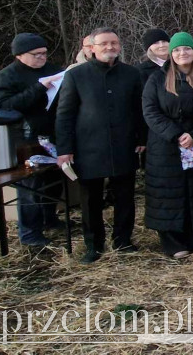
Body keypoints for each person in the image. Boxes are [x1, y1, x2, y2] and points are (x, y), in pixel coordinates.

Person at [56, 27, 145, 264]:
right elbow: (65, 114)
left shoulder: (131, 74)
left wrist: (142, 139)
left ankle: (123, 241)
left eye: (114, 43)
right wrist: (64, 149)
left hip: (124, 145)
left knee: (125, 197)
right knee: (90, 200)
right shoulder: (76, 75)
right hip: (88, 148)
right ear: (92, 48)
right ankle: (93, 245)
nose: (110, 47)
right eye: (104, 44)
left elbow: (139, 110)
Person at [0, 33, 64, 250]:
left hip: (52, 134)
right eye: (36, 54)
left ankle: (49, 219)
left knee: (54, 180)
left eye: (44, 53)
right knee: (31, 187)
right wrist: (40, 87)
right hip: (24, 140)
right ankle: (30, 233)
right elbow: (4, 107)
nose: (42, 58)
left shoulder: (51, 69)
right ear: (20, 55)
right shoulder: (7, 77)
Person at [141, 32, 193, 259]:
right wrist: (176, 134)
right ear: (171, 54)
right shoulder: (157, 79)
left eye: (187, 49)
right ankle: (173, 242)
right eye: (177, 50)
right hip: (165, 146)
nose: (182, 53)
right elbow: (150, 111)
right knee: (168, 192)